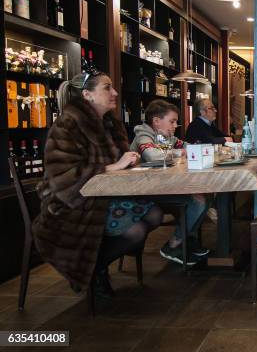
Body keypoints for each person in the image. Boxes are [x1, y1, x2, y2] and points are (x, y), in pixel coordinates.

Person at [33, 71, 163, 298]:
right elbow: (62, 175)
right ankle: (94, 271)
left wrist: (132, 160)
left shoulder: (111, 123)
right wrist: (113, 167)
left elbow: (122, 159)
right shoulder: (67, 125)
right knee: (136, 230)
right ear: (87, 95)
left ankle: (97, 261)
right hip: (71, 202)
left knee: (155, 214)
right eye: (107, 87)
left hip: (106, 195)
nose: (114, 92)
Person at [130, 99, 210, 265]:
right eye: (172, 121)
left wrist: (206, 149)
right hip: (143, 190)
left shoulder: (167, 137)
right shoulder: (143, 135)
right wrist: (180, 153)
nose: (176, 125)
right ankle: (173, 245)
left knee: (205, 195)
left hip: (162, 185)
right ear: (157, 121)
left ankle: (186, 241)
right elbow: (152, 155)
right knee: (198, 200)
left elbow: (189, 147)